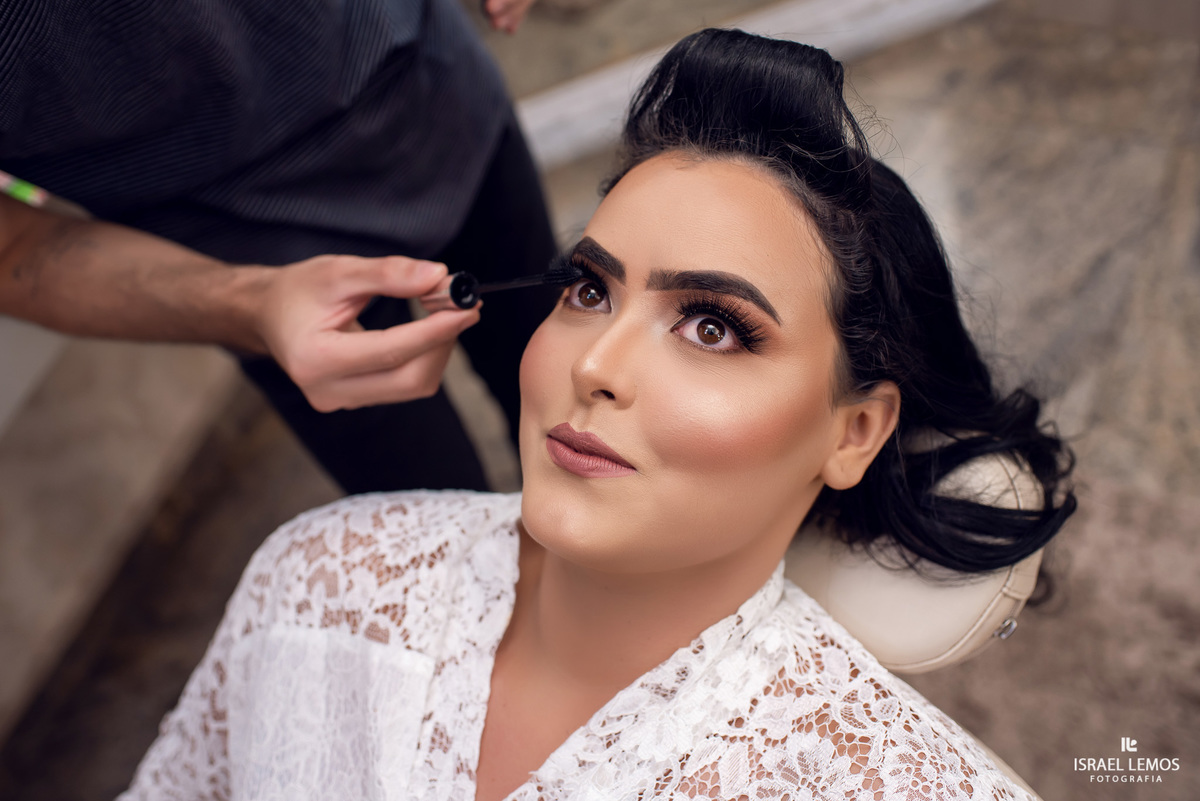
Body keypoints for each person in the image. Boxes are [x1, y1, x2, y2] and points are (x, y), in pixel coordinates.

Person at [118, 29, 1076, 800]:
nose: (599, 365)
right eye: (588, 289)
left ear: (852, 431)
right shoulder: (317, 580)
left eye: (713, 326)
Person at [0, 0, 551, 493]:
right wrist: (252, 304)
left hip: (434, 82)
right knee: (446, 538)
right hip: (249, 255)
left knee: (553, 379)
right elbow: (12, 248)